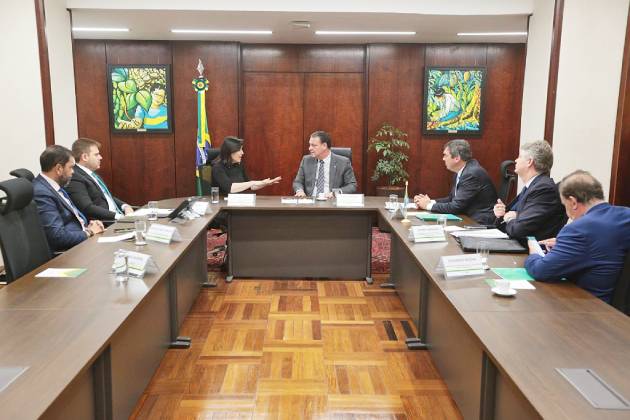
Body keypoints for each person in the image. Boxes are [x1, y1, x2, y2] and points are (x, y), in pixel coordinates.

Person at [524, 171, 630, 303]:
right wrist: (567, 245)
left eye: (565, 205)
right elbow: (604, 241)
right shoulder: (625, 216)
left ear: (573, 202)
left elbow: (541, 271)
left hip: (585, 305)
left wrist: (534, 253)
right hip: (616, 310)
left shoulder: (577, 230)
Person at [33, 145, 104, 252]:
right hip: (70, 252)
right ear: (59, 169)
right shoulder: (42, 193)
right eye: (71, 167)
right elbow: (57, 236)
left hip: (81, 240)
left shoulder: (54, 185)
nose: (73, 172)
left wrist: (89, 227)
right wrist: (89, 232)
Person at [493, 140, 566, 241]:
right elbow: (512, 220)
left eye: (519, 156)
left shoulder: (544, 189)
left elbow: (519, 229)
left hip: (526, 248)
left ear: (529, 162)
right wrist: (502, 214)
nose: (516, 160)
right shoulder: (533, 186)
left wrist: (510, 218)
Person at [414, 139, 497, 224]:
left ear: (457, 158)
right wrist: (430, 201)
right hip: (467, 217)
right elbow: (452, 199)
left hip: (479, 222)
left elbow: (456, 206)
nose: (443, 159)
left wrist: (427, 205)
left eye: (445, 155)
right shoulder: (462, 171)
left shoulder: (471, 173)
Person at [66, 138, 134, 225]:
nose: (100, 157)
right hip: (105, 223)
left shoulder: (93, 174)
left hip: (117, 218)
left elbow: (106, 196)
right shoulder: (75, 177)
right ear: (85, 157)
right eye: (96, 154)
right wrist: (119, 217)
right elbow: (87, 207)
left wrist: (125, 206)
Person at [293, 131, 357, 198]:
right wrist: (299, 191)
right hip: (310, 200)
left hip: (331, 200)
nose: (310, 148)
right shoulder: (306, 160)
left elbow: (352, 185)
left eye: (314, 145)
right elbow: (298, 182)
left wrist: (335, 193)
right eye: (310, 145)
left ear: (324, 146)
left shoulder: (343, 162)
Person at [211, 136, 281, 195]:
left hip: (238, 202)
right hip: (223, 204)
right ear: (230, 151)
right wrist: (253, 183)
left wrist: (264, 183)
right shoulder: (217, 168)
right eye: (240, 150)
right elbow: (230, 188)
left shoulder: (238, 165)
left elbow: (250, 186)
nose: (242, 153)